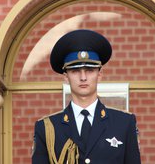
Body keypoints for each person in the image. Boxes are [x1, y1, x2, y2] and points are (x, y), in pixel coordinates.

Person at [32, 29, 141, 164]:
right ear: (66, 77)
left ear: (99, 74)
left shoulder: (124, 123)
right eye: (75, 71)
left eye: (89, 70)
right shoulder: (47, 127)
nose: (83, 77)